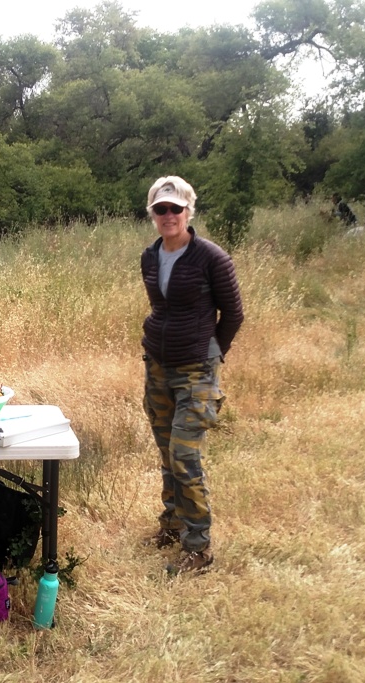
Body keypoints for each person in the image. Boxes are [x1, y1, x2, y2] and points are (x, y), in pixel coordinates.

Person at [140, 176, 244, 575]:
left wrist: (211, 350)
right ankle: (172, 524)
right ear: (152, 213)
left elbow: (233, 314)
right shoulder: (150, 257)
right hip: (157, 365)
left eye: (175, 209)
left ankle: (198, 548)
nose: (168, 216)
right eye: (160, 209)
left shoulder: (211, 257)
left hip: (197, 370)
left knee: (184, 454)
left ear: (189, 211)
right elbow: (160, 306)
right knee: (167, 450)